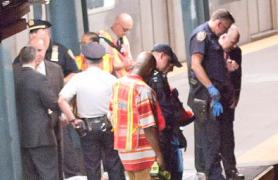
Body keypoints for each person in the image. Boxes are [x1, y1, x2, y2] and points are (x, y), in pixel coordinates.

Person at [58, 42, 125, 180]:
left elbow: (61, 100)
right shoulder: (110, 79)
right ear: (102, 59)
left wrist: (73, 120)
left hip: (87, 127)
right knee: (114, 163)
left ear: (83, 59)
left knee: (92, 165)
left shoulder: (78, 79)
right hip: (109, 125)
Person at [27, 19, 84, 178]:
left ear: (45, 31)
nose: (33, 34)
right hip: (38, 111)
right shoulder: (26, 55)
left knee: (64, 145)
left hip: (57, 107)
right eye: (31, 32)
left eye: (36, 31)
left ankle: (72, 173)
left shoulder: (61, 51)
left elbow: (74, 72)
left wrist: (60, 83)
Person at [187, 9, 236, 179]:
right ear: (218, 23)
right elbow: (195, 65)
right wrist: (210, 88)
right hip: (206, 96)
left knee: (221, 135)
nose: (225, 32)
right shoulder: (202, 36)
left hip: (217, 96)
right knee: (210, 138)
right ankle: (213, 175)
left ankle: (219, 173)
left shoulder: (214, 37)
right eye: (225, 28)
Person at [111, 52, 166, 180]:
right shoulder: (143, 90)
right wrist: (159, 154)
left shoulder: (118, 84)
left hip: (125, 151)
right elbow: (149, 126)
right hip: (143, 153)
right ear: (150, 70)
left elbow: (111, 114)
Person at [14, 45, 60, 180]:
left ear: (21, 58)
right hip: (41, 135)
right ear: (35, 59)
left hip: (21, 136)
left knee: (30, 175)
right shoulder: (39, 78)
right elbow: (51, 102)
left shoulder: (13, 77)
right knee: (48, 173)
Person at [147, 43, 186, 180]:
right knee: (172, 171)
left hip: (155, 136)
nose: (171, 69)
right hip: (164, 136)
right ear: (162, 56)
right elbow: (165, 112)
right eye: (170, 63)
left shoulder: (146, 74)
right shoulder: (156, 78)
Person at [218, 26, 244, 180]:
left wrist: (236, 96)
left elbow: (238, 75)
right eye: (232, 42)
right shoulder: (210, 49)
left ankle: (230, 169)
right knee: (212, 137)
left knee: (228, 134)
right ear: (223, 37)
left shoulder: (236, 52)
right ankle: (211, 172)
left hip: (227, 98)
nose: (234, 46)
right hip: (212, 99)